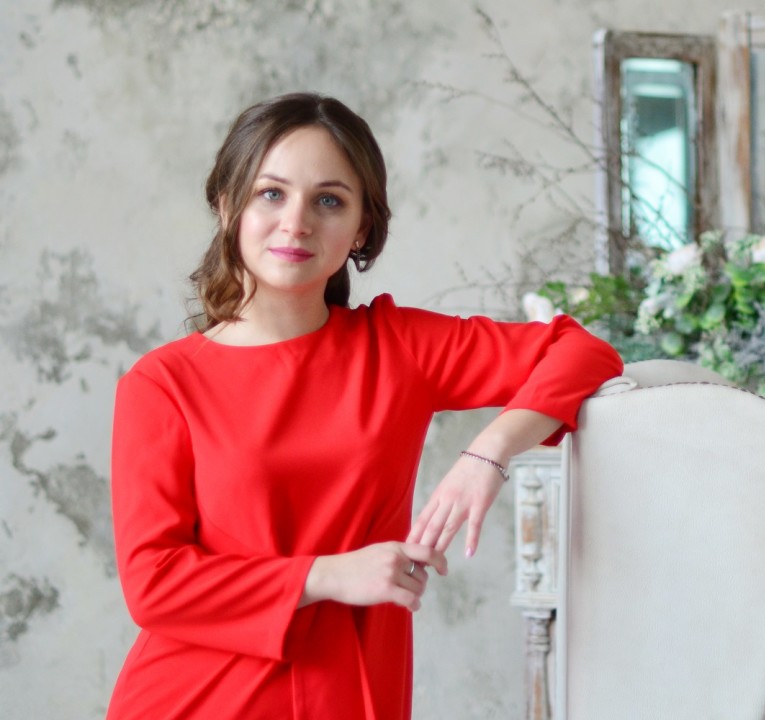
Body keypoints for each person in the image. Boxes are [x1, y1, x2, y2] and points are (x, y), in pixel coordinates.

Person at [107, 92, 623, 720]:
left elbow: (581, 350)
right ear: (227, 206)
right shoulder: (162, 384)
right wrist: (326, 576)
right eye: (271, 193)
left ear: (361, 228)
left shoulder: (398, 348)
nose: (296, 222)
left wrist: (489, 452)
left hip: (351, 694)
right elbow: (154, 583)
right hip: (197, 699)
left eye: (329, 200)